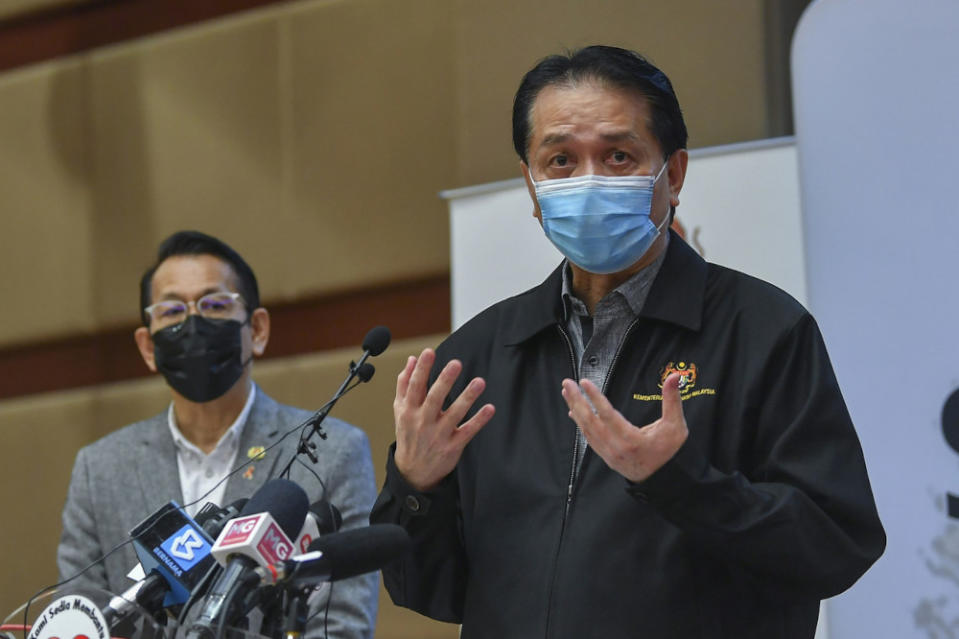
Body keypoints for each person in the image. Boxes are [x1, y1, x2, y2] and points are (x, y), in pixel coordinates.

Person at [370, 46, 885, 638]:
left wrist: (680, 482)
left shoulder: (763, 329)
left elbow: (836, 546)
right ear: (532, 186)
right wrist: (418, 487)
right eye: (560, 160)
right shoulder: (483, 352)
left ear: (675, 174)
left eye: (618, 156)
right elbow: (429, 591)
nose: (588, 181)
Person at [58, 230, 378, 638]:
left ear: (257, 329)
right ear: (147, 347)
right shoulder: (99, 468)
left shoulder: (335, 452)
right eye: (172, 311)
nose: (193, 324)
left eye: (214, 305)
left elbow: (342, 626)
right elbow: (78, 620)